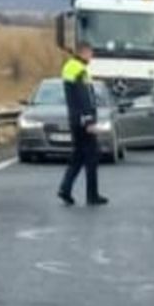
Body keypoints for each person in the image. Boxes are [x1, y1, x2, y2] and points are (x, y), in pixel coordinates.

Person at [57, 42, 108, 206]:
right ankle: (92, 195)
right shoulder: (80, 70)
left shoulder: (69, 67)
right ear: (84, 53)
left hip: (74, 118)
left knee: (78, 156)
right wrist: (89, 120)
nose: (91, 57)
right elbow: (84, 96)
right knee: (92, 156)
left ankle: (65, 188)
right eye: (91, 53)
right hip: (83, 120)